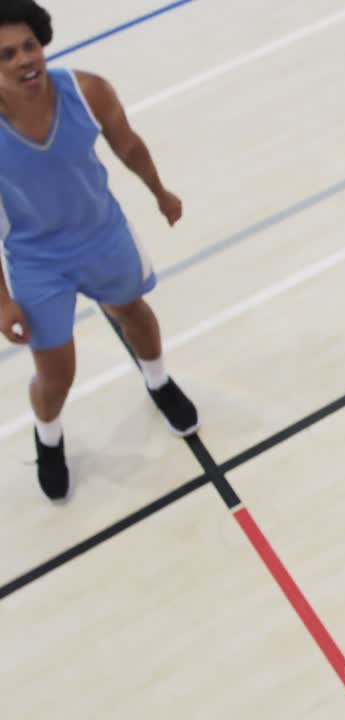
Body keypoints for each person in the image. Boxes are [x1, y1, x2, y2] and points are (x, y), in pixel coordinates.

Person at [0, 0, 198, 501]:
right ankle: (48, 437)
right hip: (37, 260)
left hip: (103, 235)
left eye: (30, 45)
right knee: (56, 373)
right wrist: (2, 300)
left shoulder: (87, 91)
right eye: (7, 54)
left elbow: (127, 145)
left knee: (133, 313)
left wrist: (160, 191)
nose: (26, 59)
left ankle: (159, 382)